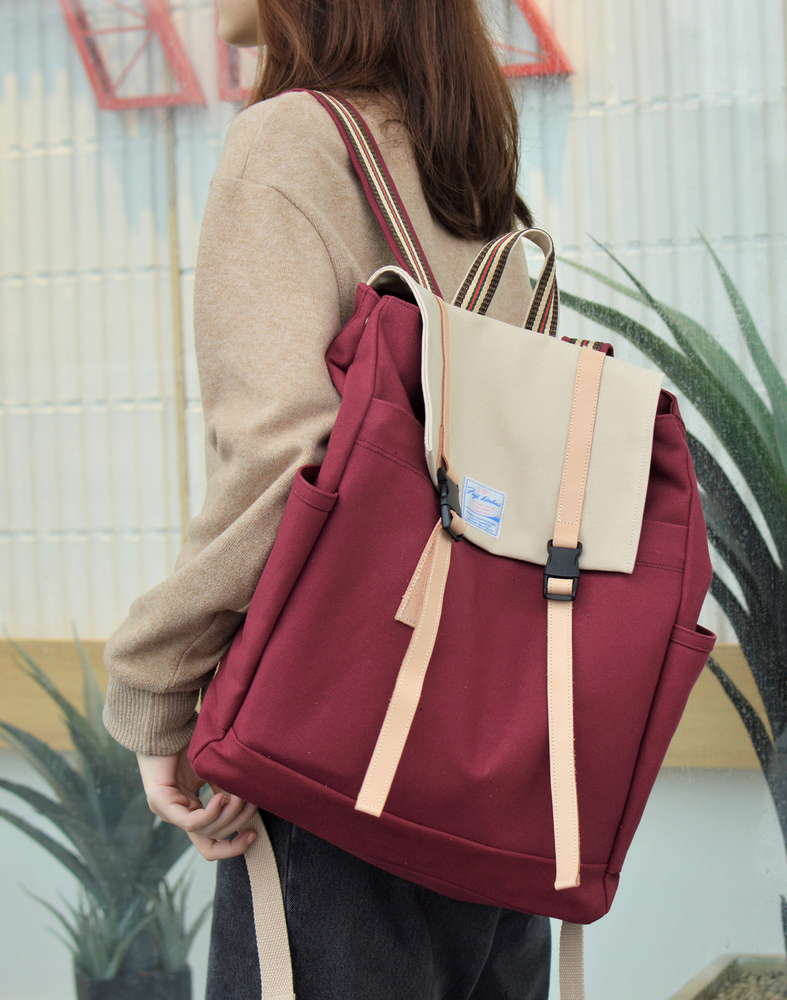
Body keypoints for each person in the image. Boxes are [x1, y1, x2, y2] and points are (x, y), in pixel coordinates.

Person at [100, 0, 550, 995]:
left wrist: (157, 687)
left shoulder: (287, 145)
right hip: (496, 774)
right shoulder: (478, 185)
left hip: (346, 761)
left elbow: (289, 463)